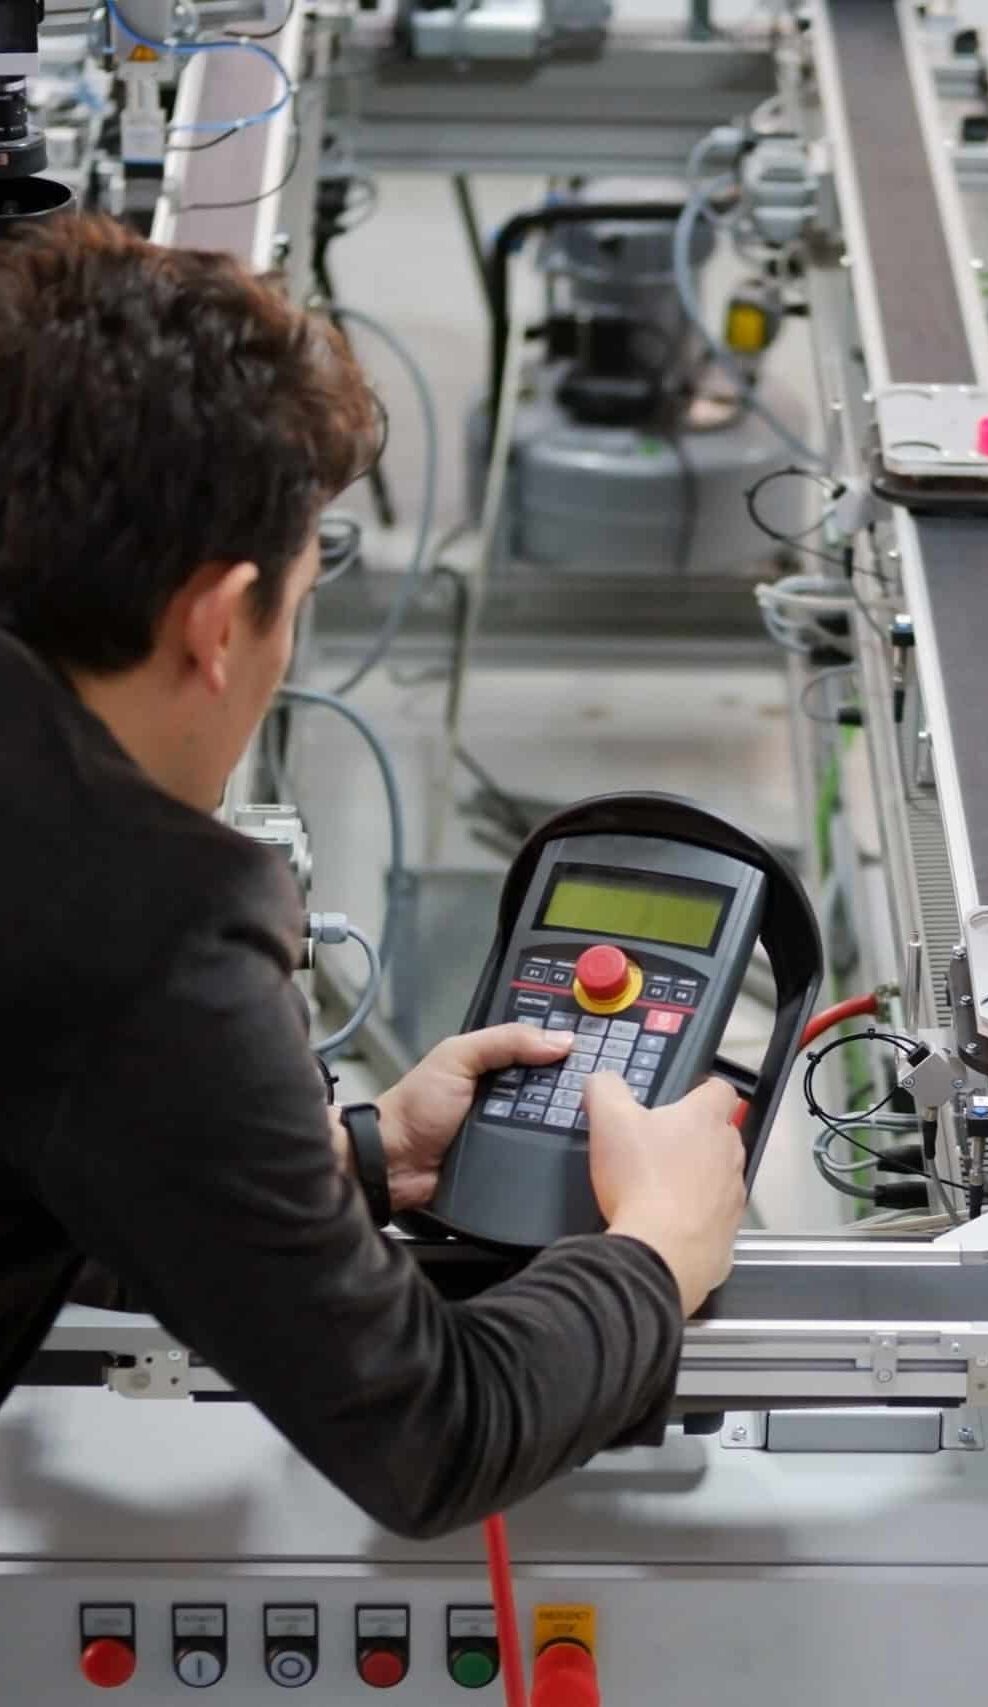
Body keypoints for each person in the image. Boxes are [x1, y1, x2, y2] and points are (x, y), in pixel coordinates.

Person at [0, 214, 749, 1538]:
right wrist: (658, 1249)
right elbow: (431, 1428)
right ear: (220, 623)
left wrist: (351, 1161)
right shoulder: (140, 921)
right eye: (300, 600)